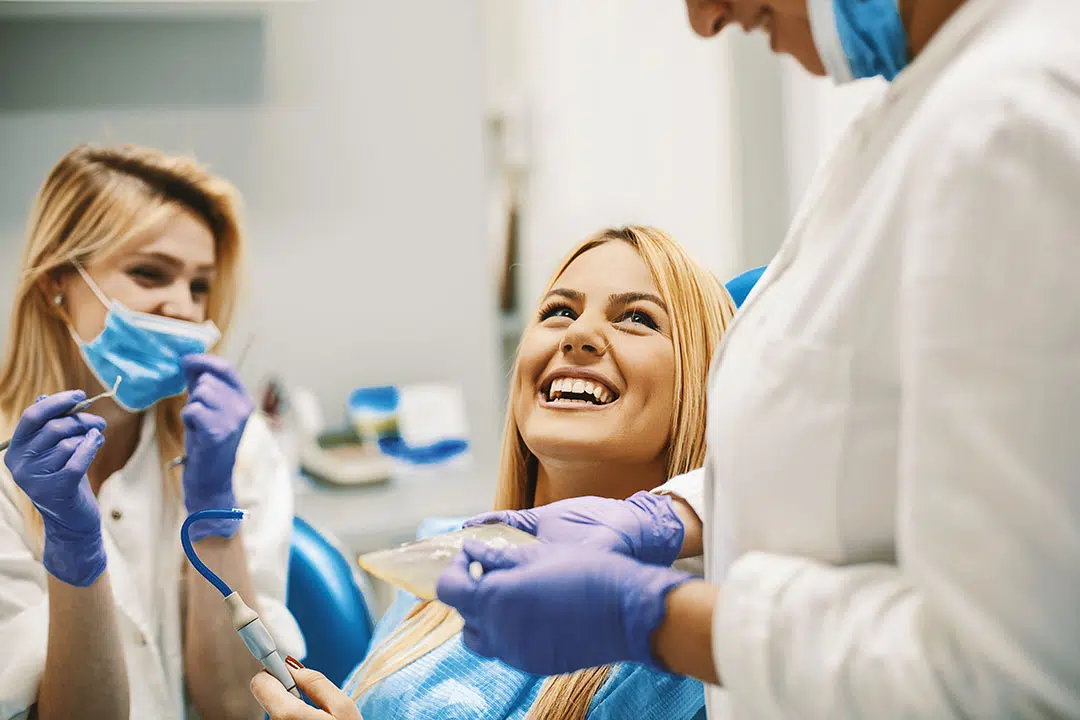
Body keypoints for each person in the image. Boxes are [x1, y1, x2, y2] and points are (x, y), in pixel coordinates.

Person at [430, 1, 1080, 718]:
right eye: (557, 309)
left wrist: (654, 617)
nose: (703, 19)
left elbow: (1014, 676)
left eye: (638, 318)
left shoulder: (1016, 123)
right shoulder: (924, 111)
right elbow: (862, 461)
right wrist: (675, 514)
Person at [249, 226, 737, 719]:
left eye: (637, 319)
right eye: (558, 311)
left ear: (702, 383)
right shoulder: (440, 555)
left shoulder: (688, 651)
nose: (579, 335)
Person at [0, 144, 303, 720]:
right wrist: (72, 551)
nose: (184, 308)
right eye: (148, 273)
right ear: (56, 281)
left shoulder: (234, 447)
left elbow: (235, 708)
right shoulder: (9, 469)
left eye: (198, 286)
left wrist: (213, 511)